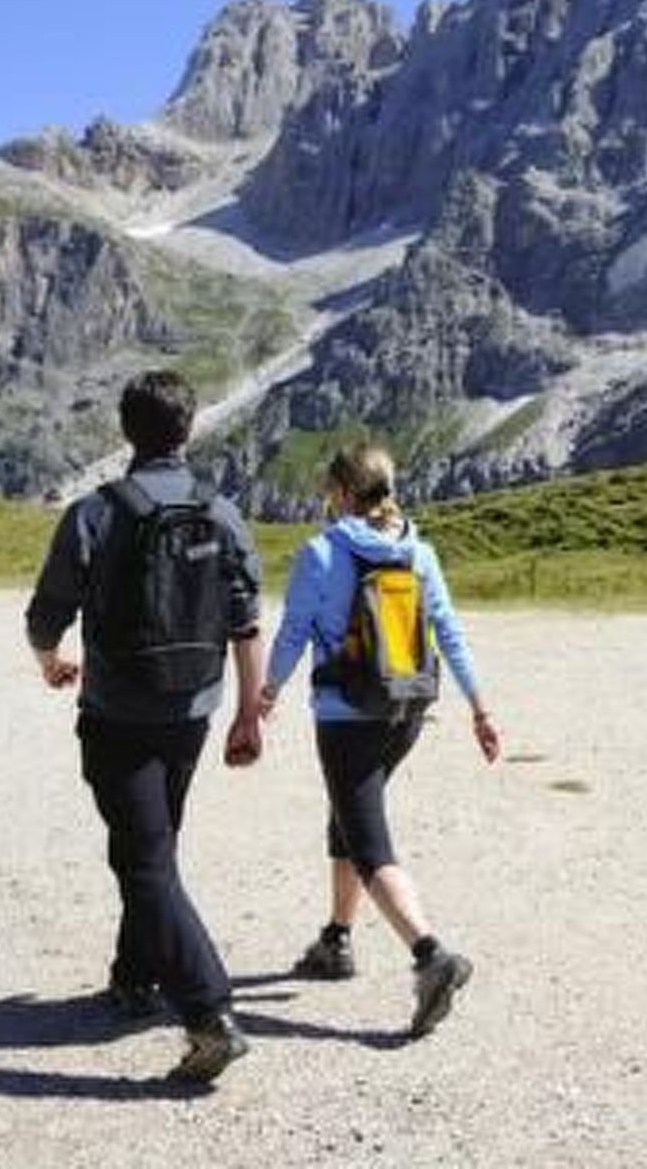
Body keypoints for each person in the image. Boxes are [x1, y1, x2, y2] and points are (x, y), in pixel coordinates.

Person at [26, 370, 265, 1084]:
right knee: (153, 847)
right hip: (194, 708)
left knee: (144, 859)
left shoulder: (94, 513)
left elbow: (47, 613)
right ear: (188, 430)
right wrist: (250, 713)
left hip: (118, 712)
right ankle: (134, 979)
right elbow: (246, 622)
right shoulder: (222, 513)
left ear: (126, 432)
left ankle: (209, 1012)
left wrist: (50, 662)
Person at [258, 442, 500, 1039]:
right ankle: (336, 940)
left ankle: (430, 955)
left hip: (346, 716)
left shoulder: (320, 553)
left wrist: (265, 694)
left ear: (342, 493)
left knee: (369, 842)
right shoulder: (419, 552)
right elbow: (449, 632)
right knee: (348, 817)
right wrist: (480, 708)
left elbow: (292, 634)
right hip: (406, 712)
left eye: (328, 489)